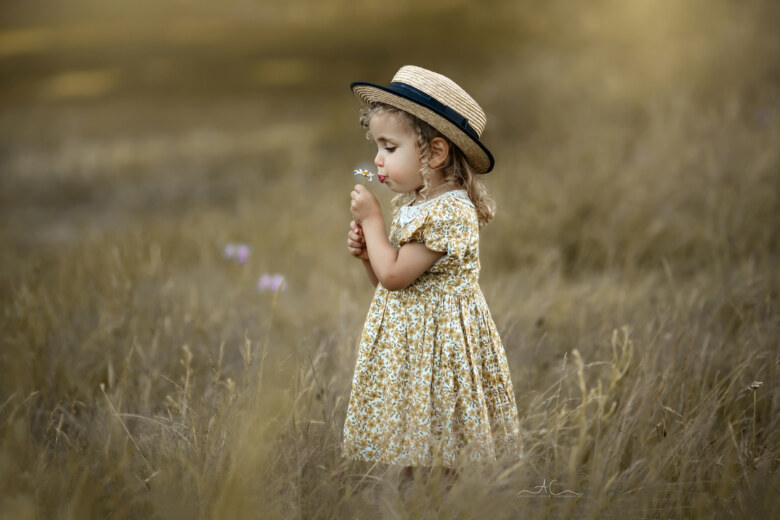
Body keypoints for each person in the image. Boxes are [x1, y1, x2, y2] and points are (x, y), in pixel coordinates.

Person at [341, 65, 522, 487]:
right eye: (377, 147)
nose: (377, 159)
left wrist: (371, 222)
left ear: (435, 153)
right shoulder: (418, 204)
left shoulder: (448, 212)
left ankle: (435, 508)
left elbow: (395, 277)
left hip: (439, 352)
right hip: (415, 346)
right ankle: (417, 507)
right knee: (414, 449)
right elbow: (392, 283)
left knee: (437, 457)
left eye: (389, 147)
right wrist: (371, 254)